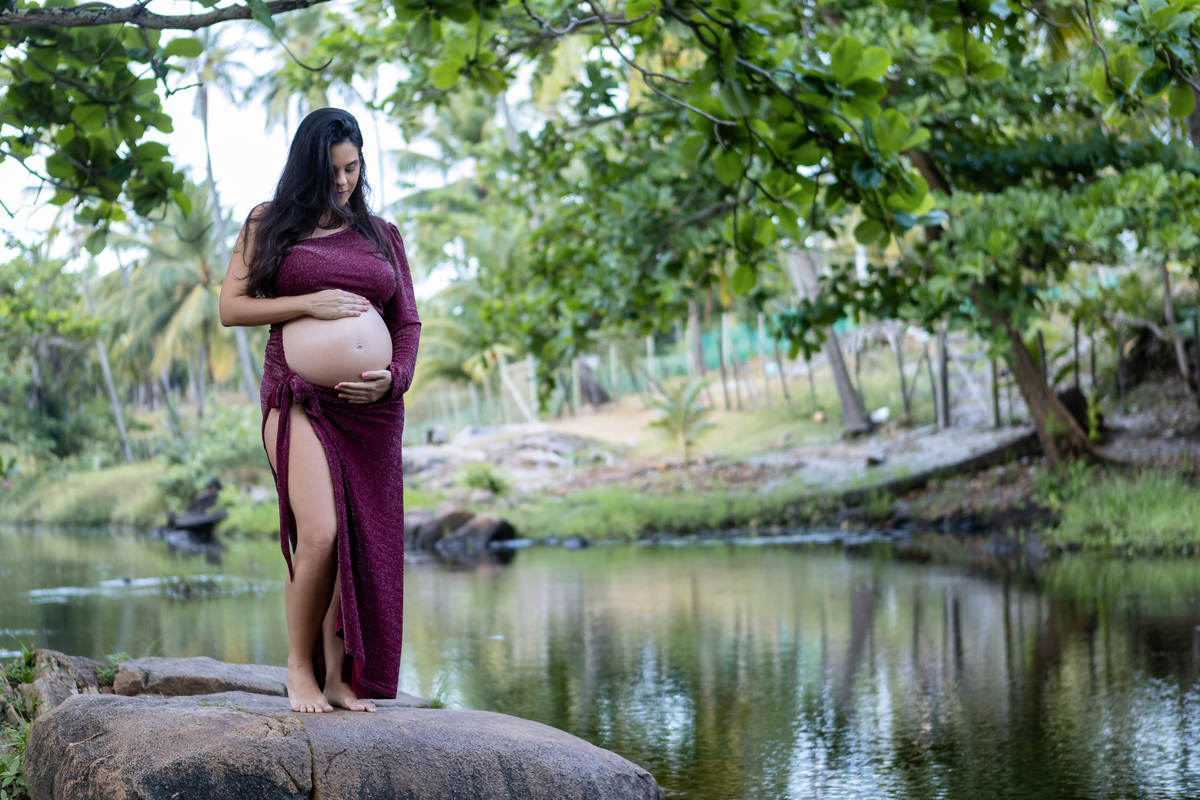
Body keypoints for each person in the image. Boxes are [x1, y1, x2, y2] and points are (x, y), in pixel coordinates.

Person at [219, 108, 420, 713]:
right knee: (323, 533)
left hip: (371, 411)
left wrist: (393, 380)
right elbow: (232, 307)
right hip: (297, 396)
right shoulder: (269, 222)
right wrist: (308, 302)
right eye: (331, 170)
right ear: (306, 167)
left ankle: (339, 676)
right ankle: (298, 668)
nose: (343, 182)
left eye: (352, 168)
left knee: (357, 540)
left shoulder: (383, 235)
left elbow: (405, 322)